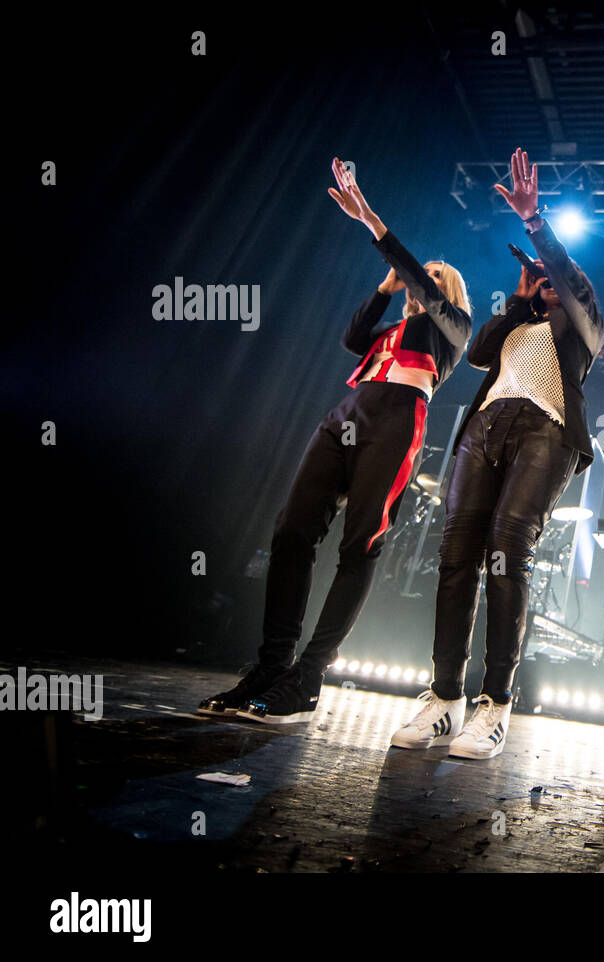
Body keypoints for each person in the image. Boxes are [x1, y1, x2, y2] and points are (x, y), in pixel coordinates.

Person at [198, 158, 472, 724]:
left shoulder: (453, 328)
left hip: (398, 418)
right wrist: (384, 283)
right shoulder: (394, 328)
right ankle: (272, 666)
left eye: (434, 275)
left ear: (449, 291)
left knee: (359, 544)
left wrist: (372, 221)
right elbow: (352, 338)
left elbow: (424, 287)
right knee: (292, 530)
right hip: (349, 411)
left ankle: (309, 676)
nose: (424, 278)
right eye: (424, 274)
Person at [389, 147, 604, 759]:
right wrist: (518, 299)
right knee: (457, 550)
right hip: (484, 428)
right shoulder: (518, 320)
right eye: (540, 277)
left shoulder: (587, 327)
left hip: (546, 430)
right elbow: (480, 352)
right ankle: (444, 697)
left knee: (508, 550)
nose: (545, 280)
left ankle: (497, 704)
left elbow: (569, 281)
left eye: (553, 277)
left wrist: (537, 222)